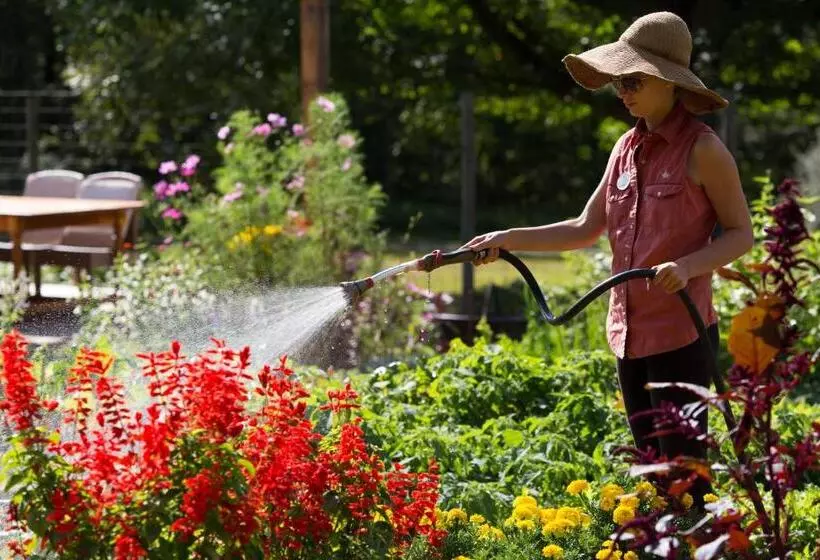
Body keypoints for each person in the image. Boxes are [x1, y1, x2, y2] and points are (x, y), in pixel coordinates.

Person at [462, 12, 753, 505]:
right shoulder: (625, 147)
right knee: (651, 476)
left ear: (667, 81)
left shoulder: (703, 150)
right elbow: (584, 228)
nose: (623, 92)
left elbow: (741, 234)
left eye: (633, 81)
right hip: (630, 335)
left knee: (686, 481)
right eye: (619, 82)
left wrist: (687, 267)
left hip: (682, 334)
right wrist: (507, 237)